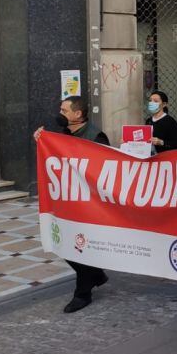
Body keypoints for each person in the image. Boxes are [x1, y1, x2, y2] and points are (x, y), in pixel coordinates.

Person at [32, 96, 111, 314]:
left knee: (80, 246)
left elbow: (104, 168)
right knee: (64, 242)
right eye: (61, 109)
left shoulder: (96, 136)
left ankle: (82, 294)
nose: (61, 114)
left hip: (89, 202)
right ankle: (95, 274)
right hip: (69, 200)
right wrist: (42, 140)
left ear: (78, 114)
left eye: (65, 110)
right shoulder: (64, 134)